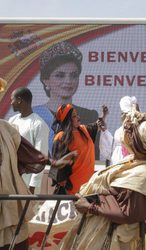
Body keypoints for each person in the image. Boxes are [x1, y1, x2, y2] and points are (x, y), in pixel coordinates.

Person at [60, 108, 146, 250]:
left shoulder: (143, 173)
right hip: (100, 235)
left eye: (130, 134)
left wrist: (89, 206)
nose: (126, 136)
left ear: (138, 142)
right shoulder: (133, 162)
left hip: (113, 242)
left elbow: (129, 212)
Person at [0, 77, 77, 250]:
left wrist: (53, 162)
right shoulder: (12, 122)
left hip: (10, 198)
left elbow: (30, 152)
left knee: (14, 240)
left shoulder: (5, 128)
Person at [32, 41, 99, 156]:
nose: (68, 81)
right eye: (60, 75)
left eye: (73, 75)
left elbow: (93, 156)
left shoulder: (90, 116)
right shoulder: (33, 115)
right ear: (46, 80)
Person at [50, 103, 108, 195]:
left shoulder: (85, 130)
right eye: (74, 116)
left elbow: (97, 125)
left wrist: (103, 116)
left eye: (77, 114)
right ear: (67, 119)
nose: (78, 117)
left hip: (88, 188)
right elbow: (56, 162)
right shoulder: (61, 137)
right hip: (71, 190)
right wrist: (61, 180)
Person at [8, 87, 49, 194]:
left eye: (12, 99)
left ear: (19, 100)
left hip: (27, 183)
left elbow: (41, 157)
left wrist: (33, 186)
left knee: (26, 211)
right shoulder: (12, 121)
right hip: (11, 178)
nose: (11, 103)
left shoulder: (39, 124)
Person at [99, 96, 139, 166]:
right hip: (117, 163)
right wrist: (105, 131)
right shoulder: (119, 131)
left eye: (123, 114)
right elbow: (112, 147)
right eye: (122, 113)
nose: (121, 116)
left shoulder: (137, 129)